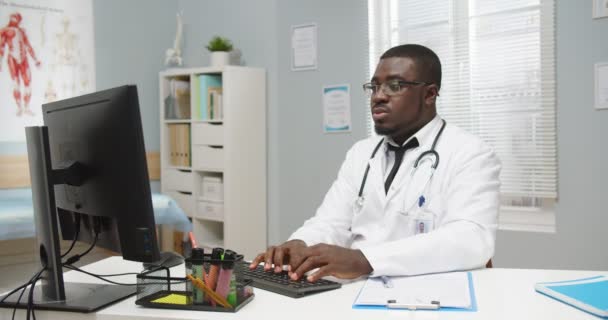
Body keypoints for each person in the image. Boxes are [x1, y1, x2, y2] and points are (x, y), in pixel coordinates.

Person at [251, 44, 501, 282]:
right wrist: (301, 243)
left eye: (394, 85)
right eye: (374, 86)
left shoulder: (470, 152)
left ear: (429, 94)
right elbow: (330, 221)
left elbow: (472, 238)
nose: (378, 96)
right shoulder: (361, 153)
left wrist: (365, 260)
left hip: (427, 293)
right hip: (355, 289)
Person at [0, 12, 41, 116]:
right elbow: (1, 47)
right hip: (12, 58)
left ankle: (26, 107)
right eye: (14, 19)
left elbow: (27, 45)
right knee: (16, 83)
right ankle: (19, 107)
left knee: (28, 83)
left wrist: (36, 59)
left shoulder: (22, 31)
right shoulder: (5, 31)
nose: (16, 21)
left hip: (23, 59)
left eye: (17, 19)